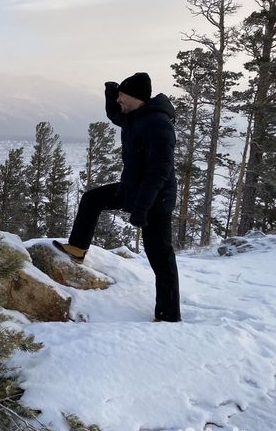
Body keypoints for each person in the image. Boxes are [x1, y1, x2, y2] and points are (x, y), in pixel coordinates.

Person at [53, 72, 181, 322]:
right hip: (132, 189)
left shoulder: (158, 124)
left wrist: (142, 208)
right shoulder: (135, 116)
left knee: (160, 256)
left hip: (156, 198)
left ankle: (168, 314)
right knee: (92, 199)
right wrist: (111, 92)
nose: (119, 100)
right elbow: (115, 114)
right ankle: (77, 249)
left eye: (123, 95)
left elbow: (159, 171)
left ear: (135, 98)